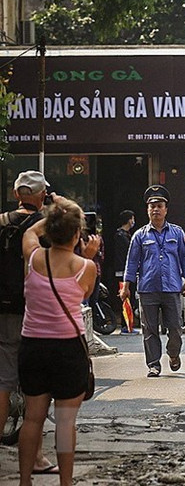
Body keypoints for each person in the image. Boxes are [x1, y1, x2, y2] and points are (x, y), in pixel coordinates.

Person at [19, 195, 97, 485]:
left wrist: (55, 216)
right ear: (78, 234)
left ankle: (24, 481)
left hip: (33, 347)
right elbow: (85, 295)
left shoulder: (34, 257)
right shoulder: (85, 267)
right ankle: (65, 483)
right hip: (67, 349)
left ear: (50, 231)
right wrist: (86, 252)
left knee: (32, 418)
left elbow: (29, 233)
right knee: (65, 423)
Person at [0, 171, 60, 476]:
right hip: (36, 315)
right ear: (41, 196)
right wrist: (56, 203)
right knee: (35, 388)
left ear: (16, 194)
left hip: (3, 312)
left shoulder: (1, 222)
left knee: (2, 383)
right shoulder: (47, 227)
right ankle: (36, 457)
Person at [120, 185, 185, 377]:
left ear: (166, 209)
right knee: (150, 330)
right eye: (152, 206)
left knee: (176, 328)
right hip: (148, 289)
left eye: (159, 205)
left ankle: (173, 353)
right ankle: (153, 364)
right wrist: (126, 286)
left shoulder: (177, 233)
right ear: (147, 210)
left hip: (171, 288)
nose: (156, 209)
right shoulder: (140, 236)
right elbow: (132, 263)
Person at [113, 210, 137, 333]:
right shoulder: (120, 236)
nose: (133, 221)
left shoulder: (126, 235)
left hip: (127, 271)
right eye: (132, 219)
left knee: (130, 298)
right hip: (123, 272)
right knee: (125, 298)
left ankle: (129, 325)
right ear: (129, 220)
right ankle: (125, 326)